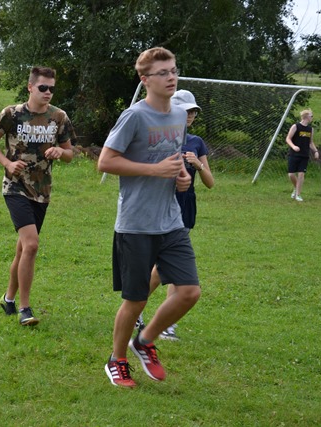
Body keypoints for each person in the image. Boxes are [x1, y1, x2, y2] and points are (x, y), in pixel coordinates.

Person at [97, 47, 201, 388]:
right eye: (163, 73)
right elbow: (105, 162)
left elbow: (174, 159)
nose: (171, 77)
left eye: (174, 70)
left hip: (171, 220)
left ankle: (144, 341)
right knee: (136, 298)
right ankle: (117, 360)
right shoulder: (134, 117)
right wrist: (154, 170)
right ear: (145, 80)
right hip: (135, 223)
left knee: (189, 292)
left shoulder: (179, 115)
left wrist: (181, 177)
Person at [0, 66, 75, 326]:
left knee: (24, 248)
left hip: (42, 191)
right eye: (43, 87)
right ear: (30, 87)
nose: (48, 93)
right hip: (15, 187)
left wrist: (60, 152)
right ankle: (25, 308)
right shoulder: (11, 114)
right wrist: (7, 163)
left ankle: (8, 298)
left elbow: (70, 153)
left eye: (51, 89)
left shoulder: (59, 117)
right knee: (32, 245)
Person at [137, 89, 215, 342]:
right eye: (186, 111)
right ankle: (137, 308)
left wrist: (198, 164)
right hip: (160, 204)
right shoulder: (161, 137)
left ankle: (165, 323)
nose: (190, 115)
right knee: (164, 267)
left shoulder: (196, 142)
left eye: (194, 112)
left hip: (186, 206)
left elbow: (210, 182)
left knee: (173, 268)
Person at [286, 108, 318, 202]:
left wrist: (315, 151)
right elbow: (288, 139)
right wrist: (293, 146)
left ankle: (298, 194)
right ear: (306, 116)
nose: (312, 118)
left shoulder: (310, 129)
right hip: (294, 154)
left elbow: (310, 142)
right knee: (291, 174)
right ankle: (296, 188)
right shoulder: (296, 126)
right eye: (311, 116)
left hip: (304, 155)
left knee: (301, 174)